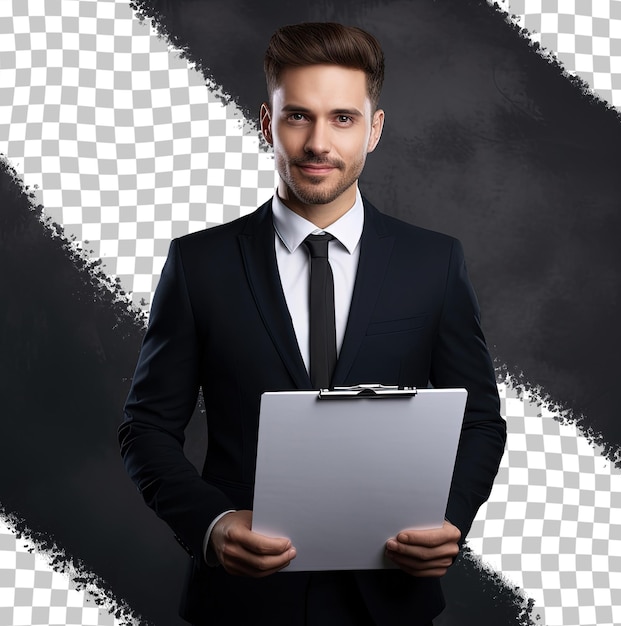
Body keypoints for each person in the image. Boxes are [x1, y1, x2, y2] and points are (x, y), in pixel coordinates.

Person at [119, 22, 506, 626]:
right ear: (266, 122)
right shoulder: (200, 265)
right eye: (298, 116)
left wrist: (451, 518)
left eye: (343, 119)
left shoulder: (434, 262)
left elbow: (479, 419)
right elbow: (145, 428)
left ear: (375, 129)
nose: (318, 142)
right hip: (241, 602)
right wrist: (213, 526)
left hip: (392, 598)